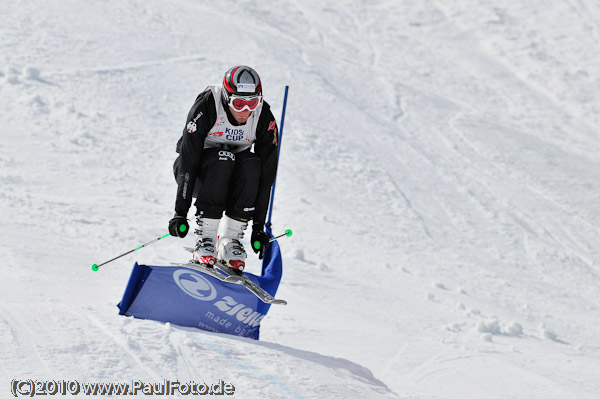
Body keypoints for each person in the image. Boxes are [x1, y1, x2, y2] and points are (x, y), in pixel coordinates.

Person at [168, 66, 279, 272]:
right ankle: (206, 239)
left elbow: (266, 178)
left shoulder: (263, 117)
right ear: (227, 98)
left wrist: (258, 227)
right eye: (238, 103)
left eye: (252, 103)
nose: (245, 110)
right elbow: (188, 160)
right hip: (196, 176)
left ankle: (231, 240)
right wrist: (180, 213)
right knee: (223, 158)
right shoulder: (208, 105)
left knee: (253, 163)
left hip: (231, 183)